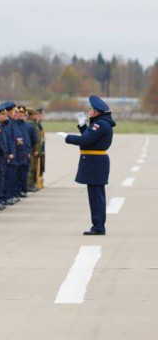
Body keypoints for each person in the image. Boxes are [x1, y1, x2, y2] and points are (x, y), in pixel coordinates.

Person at [58, 95, 115, 235]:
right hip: (96, 162)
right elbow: (90, 139)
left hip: (95, 163)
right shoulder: (101, 123)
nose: (89, 111)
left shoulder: (100, 124)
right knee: (96, 195)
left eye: (91, 109)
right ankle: (98, 225)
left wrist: (67, 137)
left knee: (96, 196)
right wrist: (83, 126)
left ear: (95, 111)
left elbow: (84, 140)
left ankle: (98, 227)